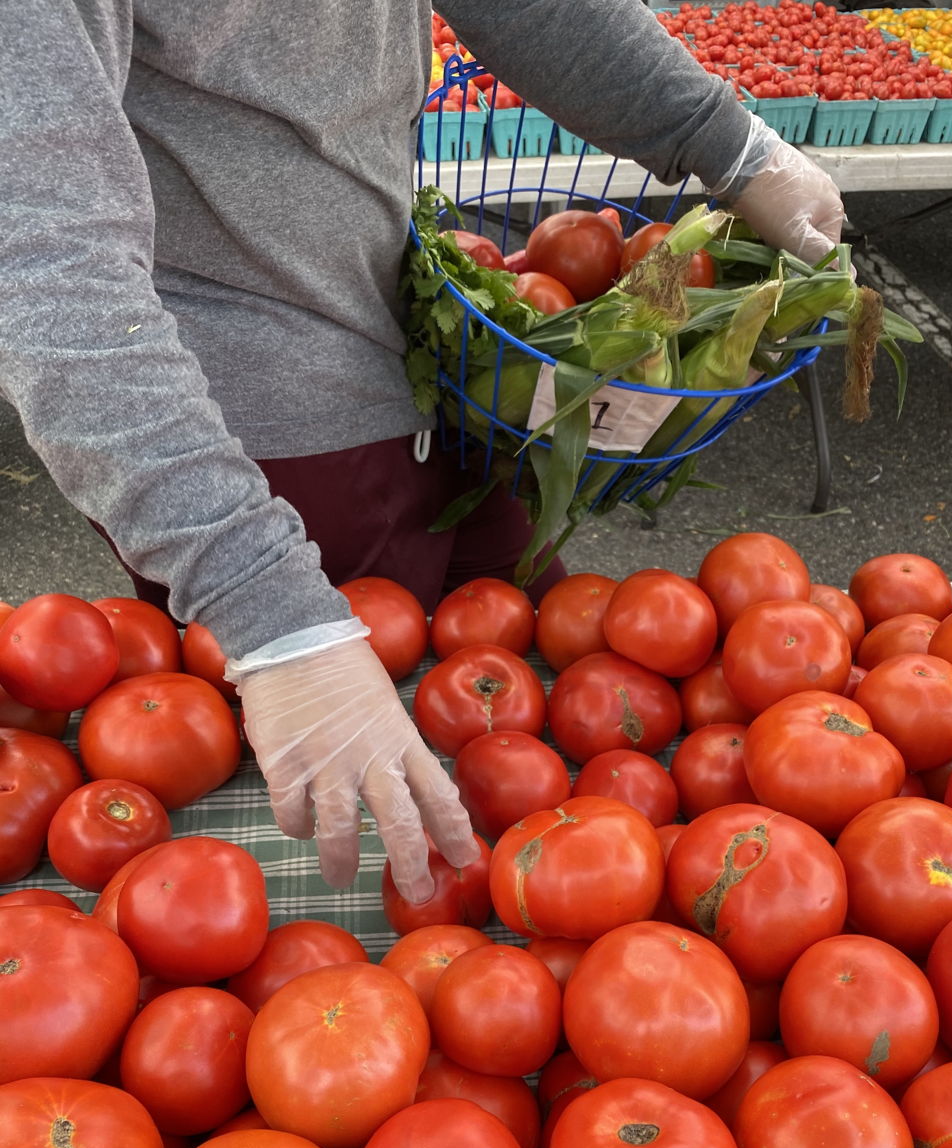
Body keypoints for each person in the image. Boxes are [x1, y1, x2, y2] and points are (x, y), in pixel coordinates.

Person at [1, 1, 846, 899]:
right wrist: (267, 607)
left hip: (432, 353)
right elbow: (46, 264)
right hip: (259, 444)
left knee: (538, 713)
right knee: (371, 825)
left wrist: (723, 139)